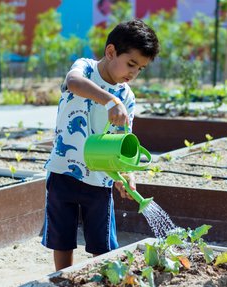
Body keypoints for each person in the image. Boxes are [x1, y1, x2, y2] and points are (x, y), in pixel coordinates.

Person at [41, 19, 160, 271]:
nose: (134, 74)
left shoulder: (127, 96)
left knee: (102, 246)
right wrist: (109, 100)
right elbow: (73, 83)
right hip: (63, 170)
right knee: (62, 239)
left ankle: (103, 278)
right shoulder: (84, 68)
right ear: (110, 52)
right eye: (131, 64)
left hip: (100, 181)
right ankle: (63, 278)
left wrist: (126, 175)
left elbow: (122, 143)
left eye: (140, 68)